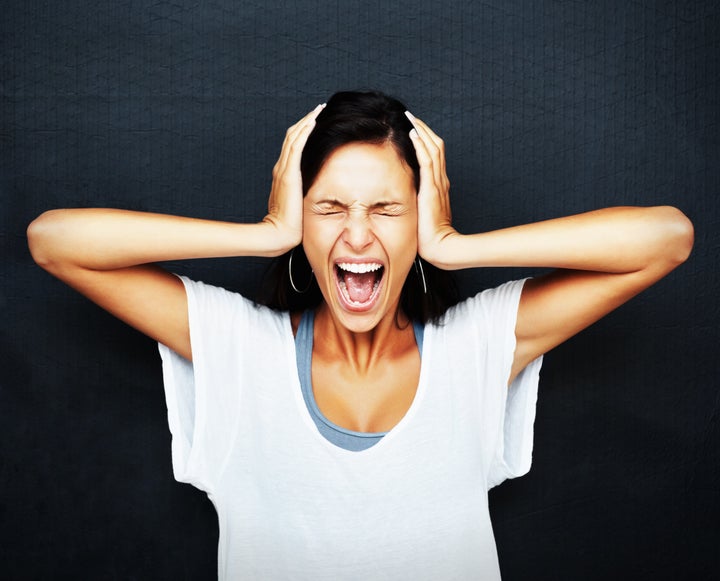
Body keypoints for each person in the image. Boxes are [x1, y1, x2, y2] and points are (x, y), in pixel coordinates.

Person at [27, 91, 693, 579]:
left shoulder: (477, 348)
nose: (356, 234)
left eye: (385, 208)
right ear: (302, 221)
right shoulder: (239, 350)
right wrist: (263, 233)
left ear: (419, 220)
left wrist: (455, 247)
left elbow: (665, 238)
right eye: (330, 207)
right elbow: (54, 241)